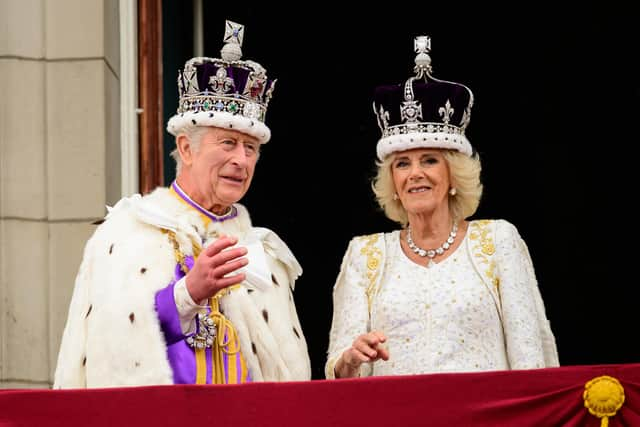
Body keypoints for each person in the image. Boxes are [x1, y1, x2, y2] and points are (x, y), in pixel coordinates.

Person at [54, 20, 311, 387]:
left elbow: (287, 376)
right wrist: (187, 294)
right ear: (187, 149)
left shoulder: (264, 252)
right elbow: (106, 351)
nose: (241, 159)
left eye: (250, 148)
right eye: (227, 143)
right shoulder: (128, 232)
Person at [325, 35, 558, 379]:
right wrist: (351, 359)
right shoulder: (365, 254)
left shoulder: (497, 241)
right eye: (402, 164)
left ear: (453, 176)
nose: (415, 173)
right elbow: (339, 373)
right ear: (393, 181)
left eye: (430, 160)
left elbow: (530, 361)